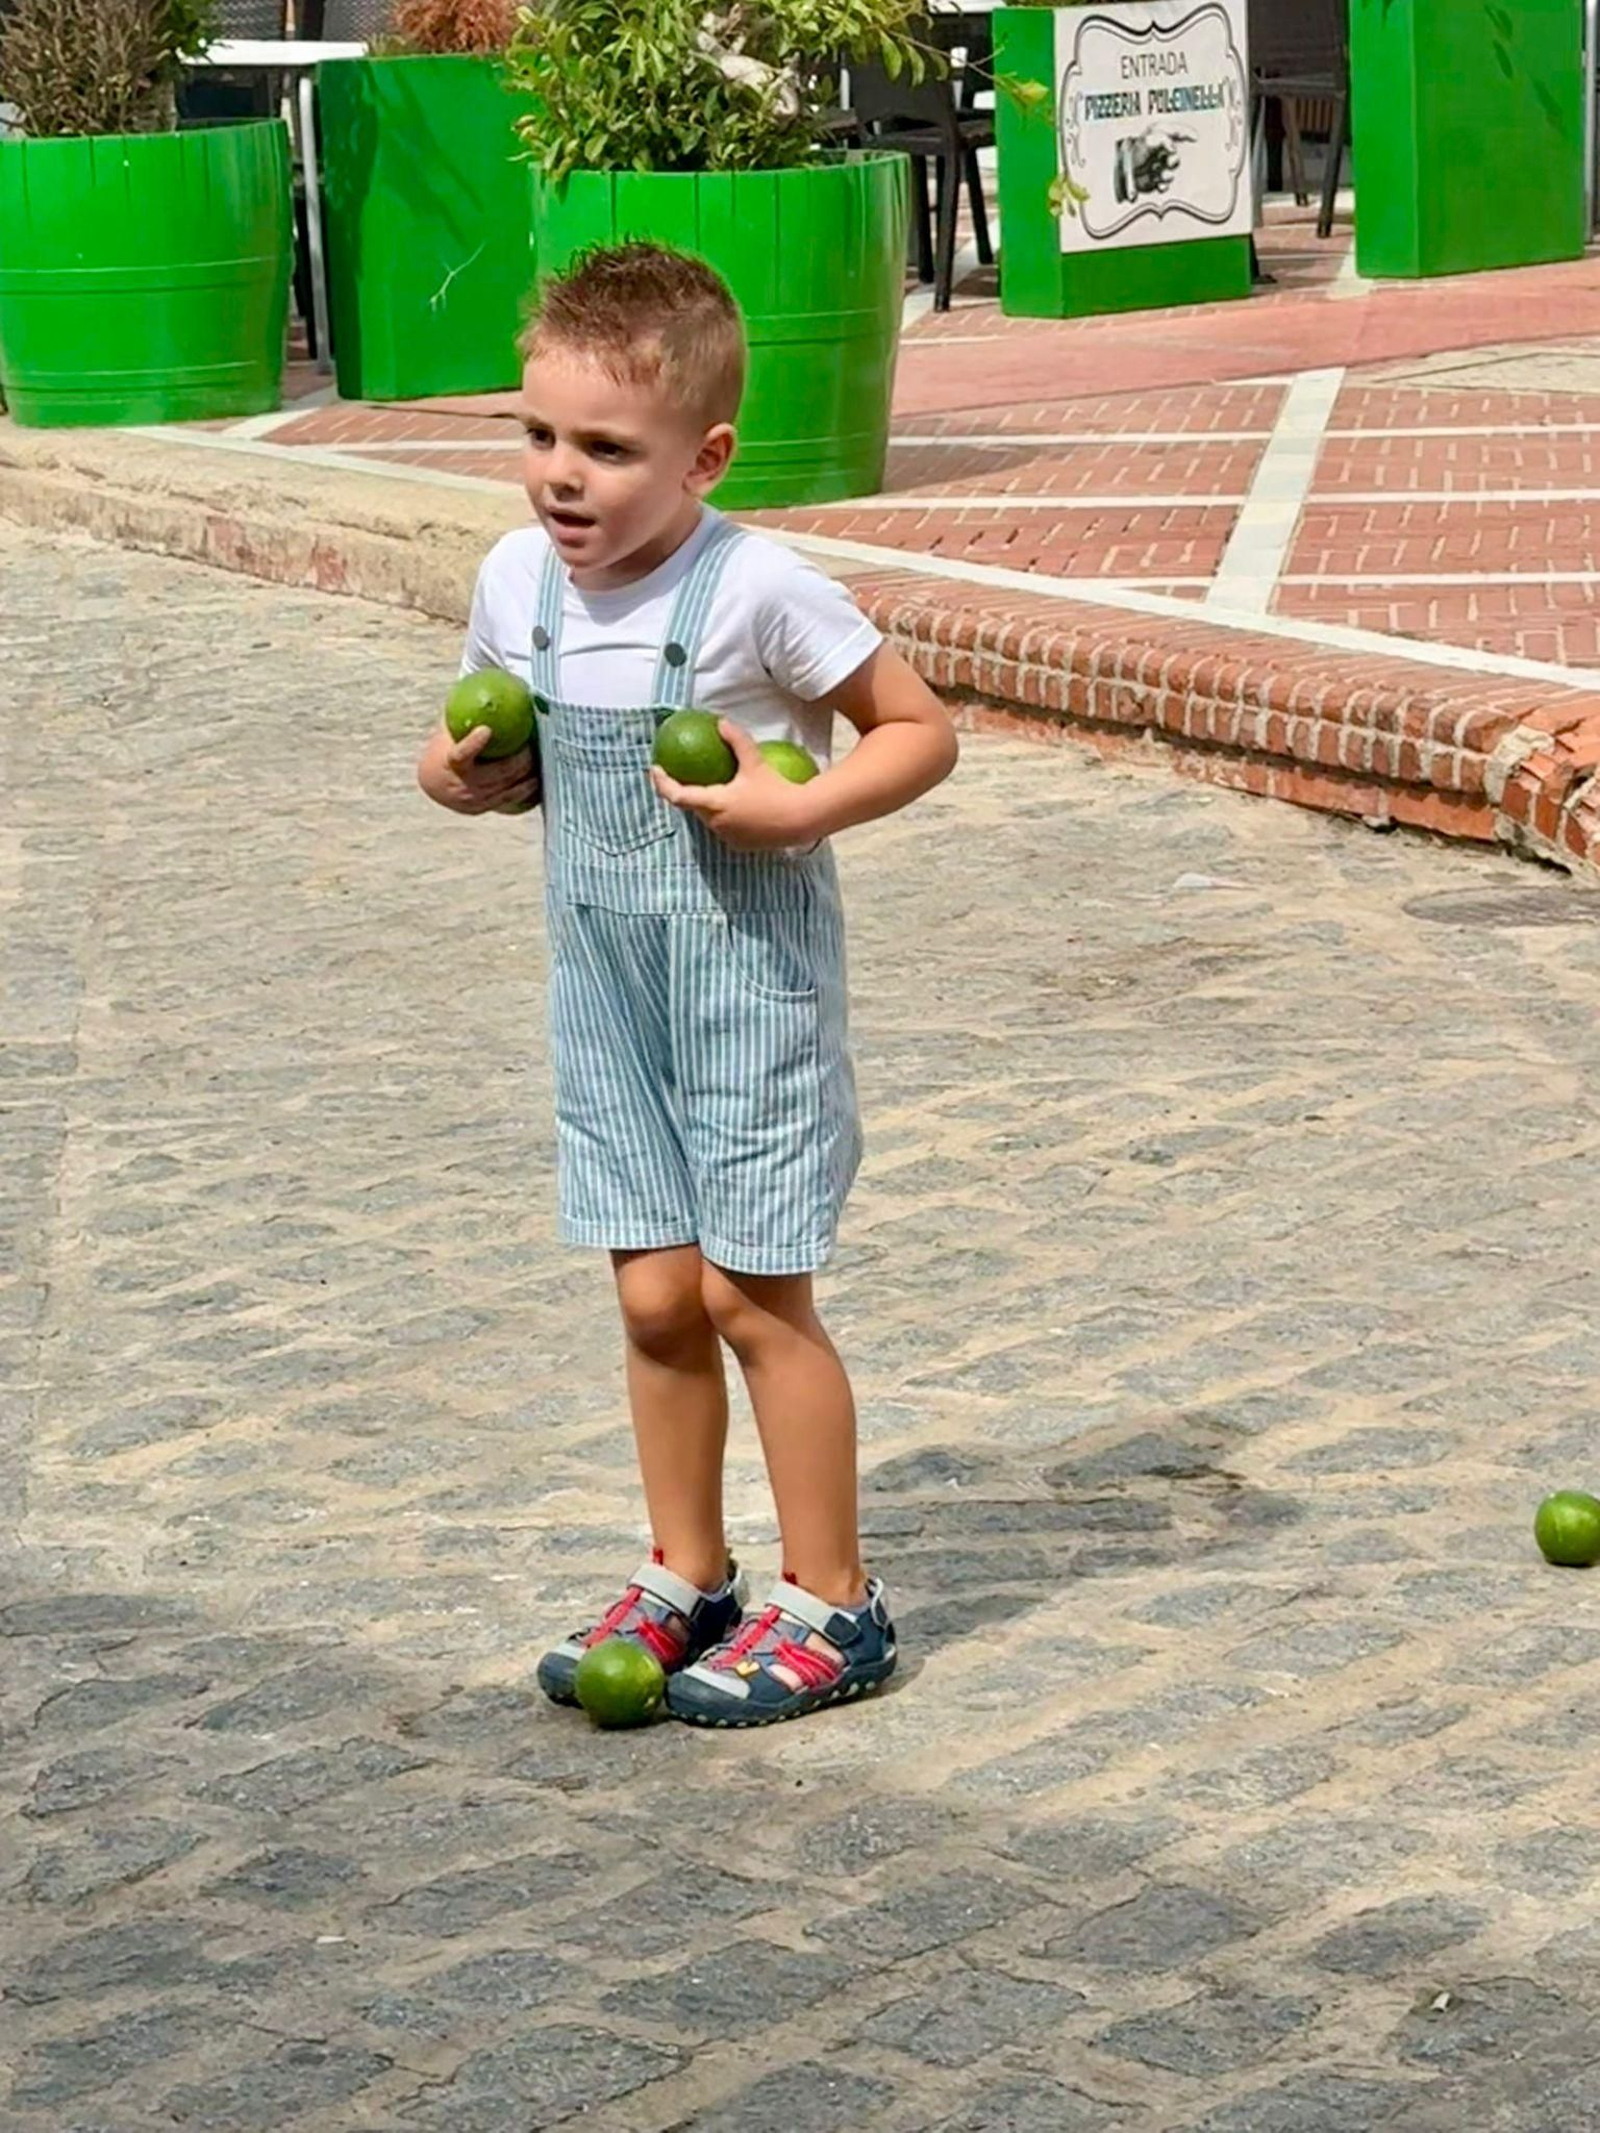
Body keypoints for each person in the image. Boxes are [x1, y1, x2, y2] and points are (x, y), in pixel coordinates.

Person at [416, 243, 957, 1727]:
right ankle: (689, 1570)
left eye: (606, 448)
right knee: (654, 1295)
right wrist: (461, 774)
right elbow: (458, 753)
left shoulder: (756, 589)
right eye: (538, 436)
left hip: (747, 993)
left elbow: (917, 730)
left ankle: (835, 1603)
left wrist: (807, 804)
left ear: (705, 455)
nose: (561, 478)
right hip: (604, 997)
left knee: (749, 1293)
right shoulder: (515, 580)